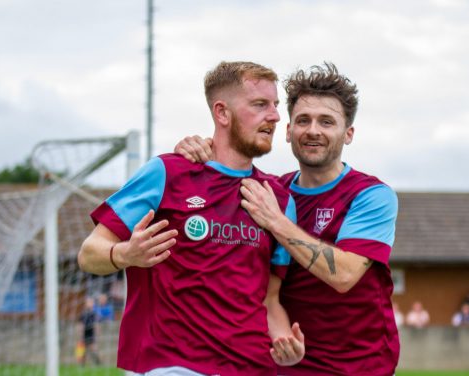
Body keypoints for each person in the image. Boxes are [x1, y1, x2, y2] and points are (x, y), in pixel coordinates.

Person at [78, 61, 304, 376]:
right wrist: (125, 254)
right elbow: (89, 253)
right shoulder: (167, 173)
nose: (275, 116)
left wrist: (284, 342)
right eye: (260, 105)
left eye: (276, 106)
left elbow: (269, 299)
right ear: (222, 113)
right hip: (172, 366)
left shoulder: (278, 199)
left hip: (253, 367)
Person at [175, 62, 399, 376]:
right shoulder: (271, 192)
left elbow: (345, 275)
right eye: (303, 120)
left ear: (348, 133)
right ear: (288, 131)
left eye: (327, 122)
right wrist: (198, 151)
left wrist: (276, 222)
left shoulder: (371, 195)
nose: (313, 131)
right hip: (284, 360)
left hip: (358, 366)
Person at [77, 297, 101, 366]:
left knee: (93, 349)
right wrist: (80, 333)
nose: (89, 304)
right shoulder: (83, 313)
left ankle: (98, 362)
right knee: (83, 349)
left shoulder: (94, 314)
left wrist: (97, 332)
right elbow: (80, 324)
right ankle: (82, 364)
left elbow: (97, 324)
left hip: (91, 333)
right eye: (88, 302)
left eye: (91, 302)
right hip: (84, 333)